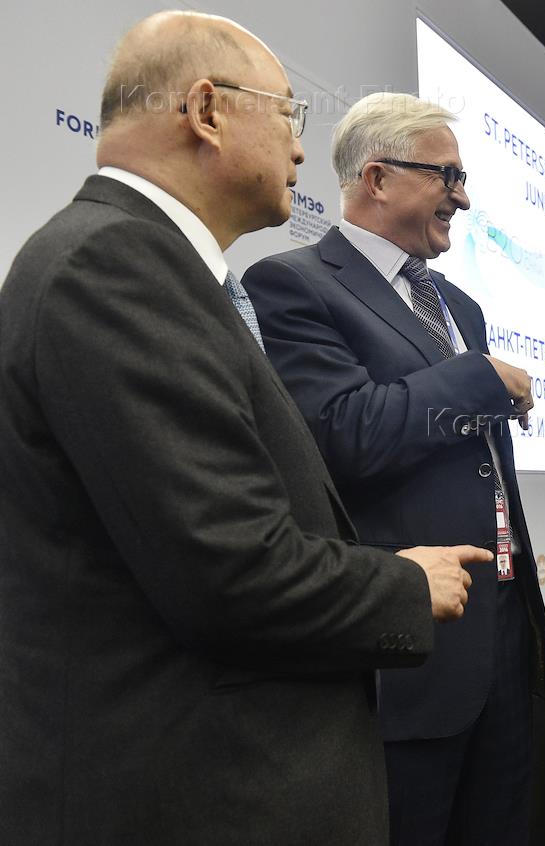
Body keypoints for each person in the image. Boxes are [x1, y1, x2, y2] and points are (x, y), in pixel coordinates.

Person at [0, 12, 488, 845]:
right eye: (289, 115)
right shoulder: (114, 265)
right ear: (206, 111)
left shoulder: (152, 266)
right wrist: (404, 584)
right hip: (197, 790)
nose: (301, 149)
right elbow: (228, 569)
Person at [242, 92, 545, 846]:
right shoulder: (292, 284)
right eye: (446, 176)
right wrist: (481, 378)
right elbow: (342, 436)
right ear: (378, 178)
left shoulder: (460, 305)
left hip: (502, 634)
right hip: (405, 650)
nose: (463, 199)